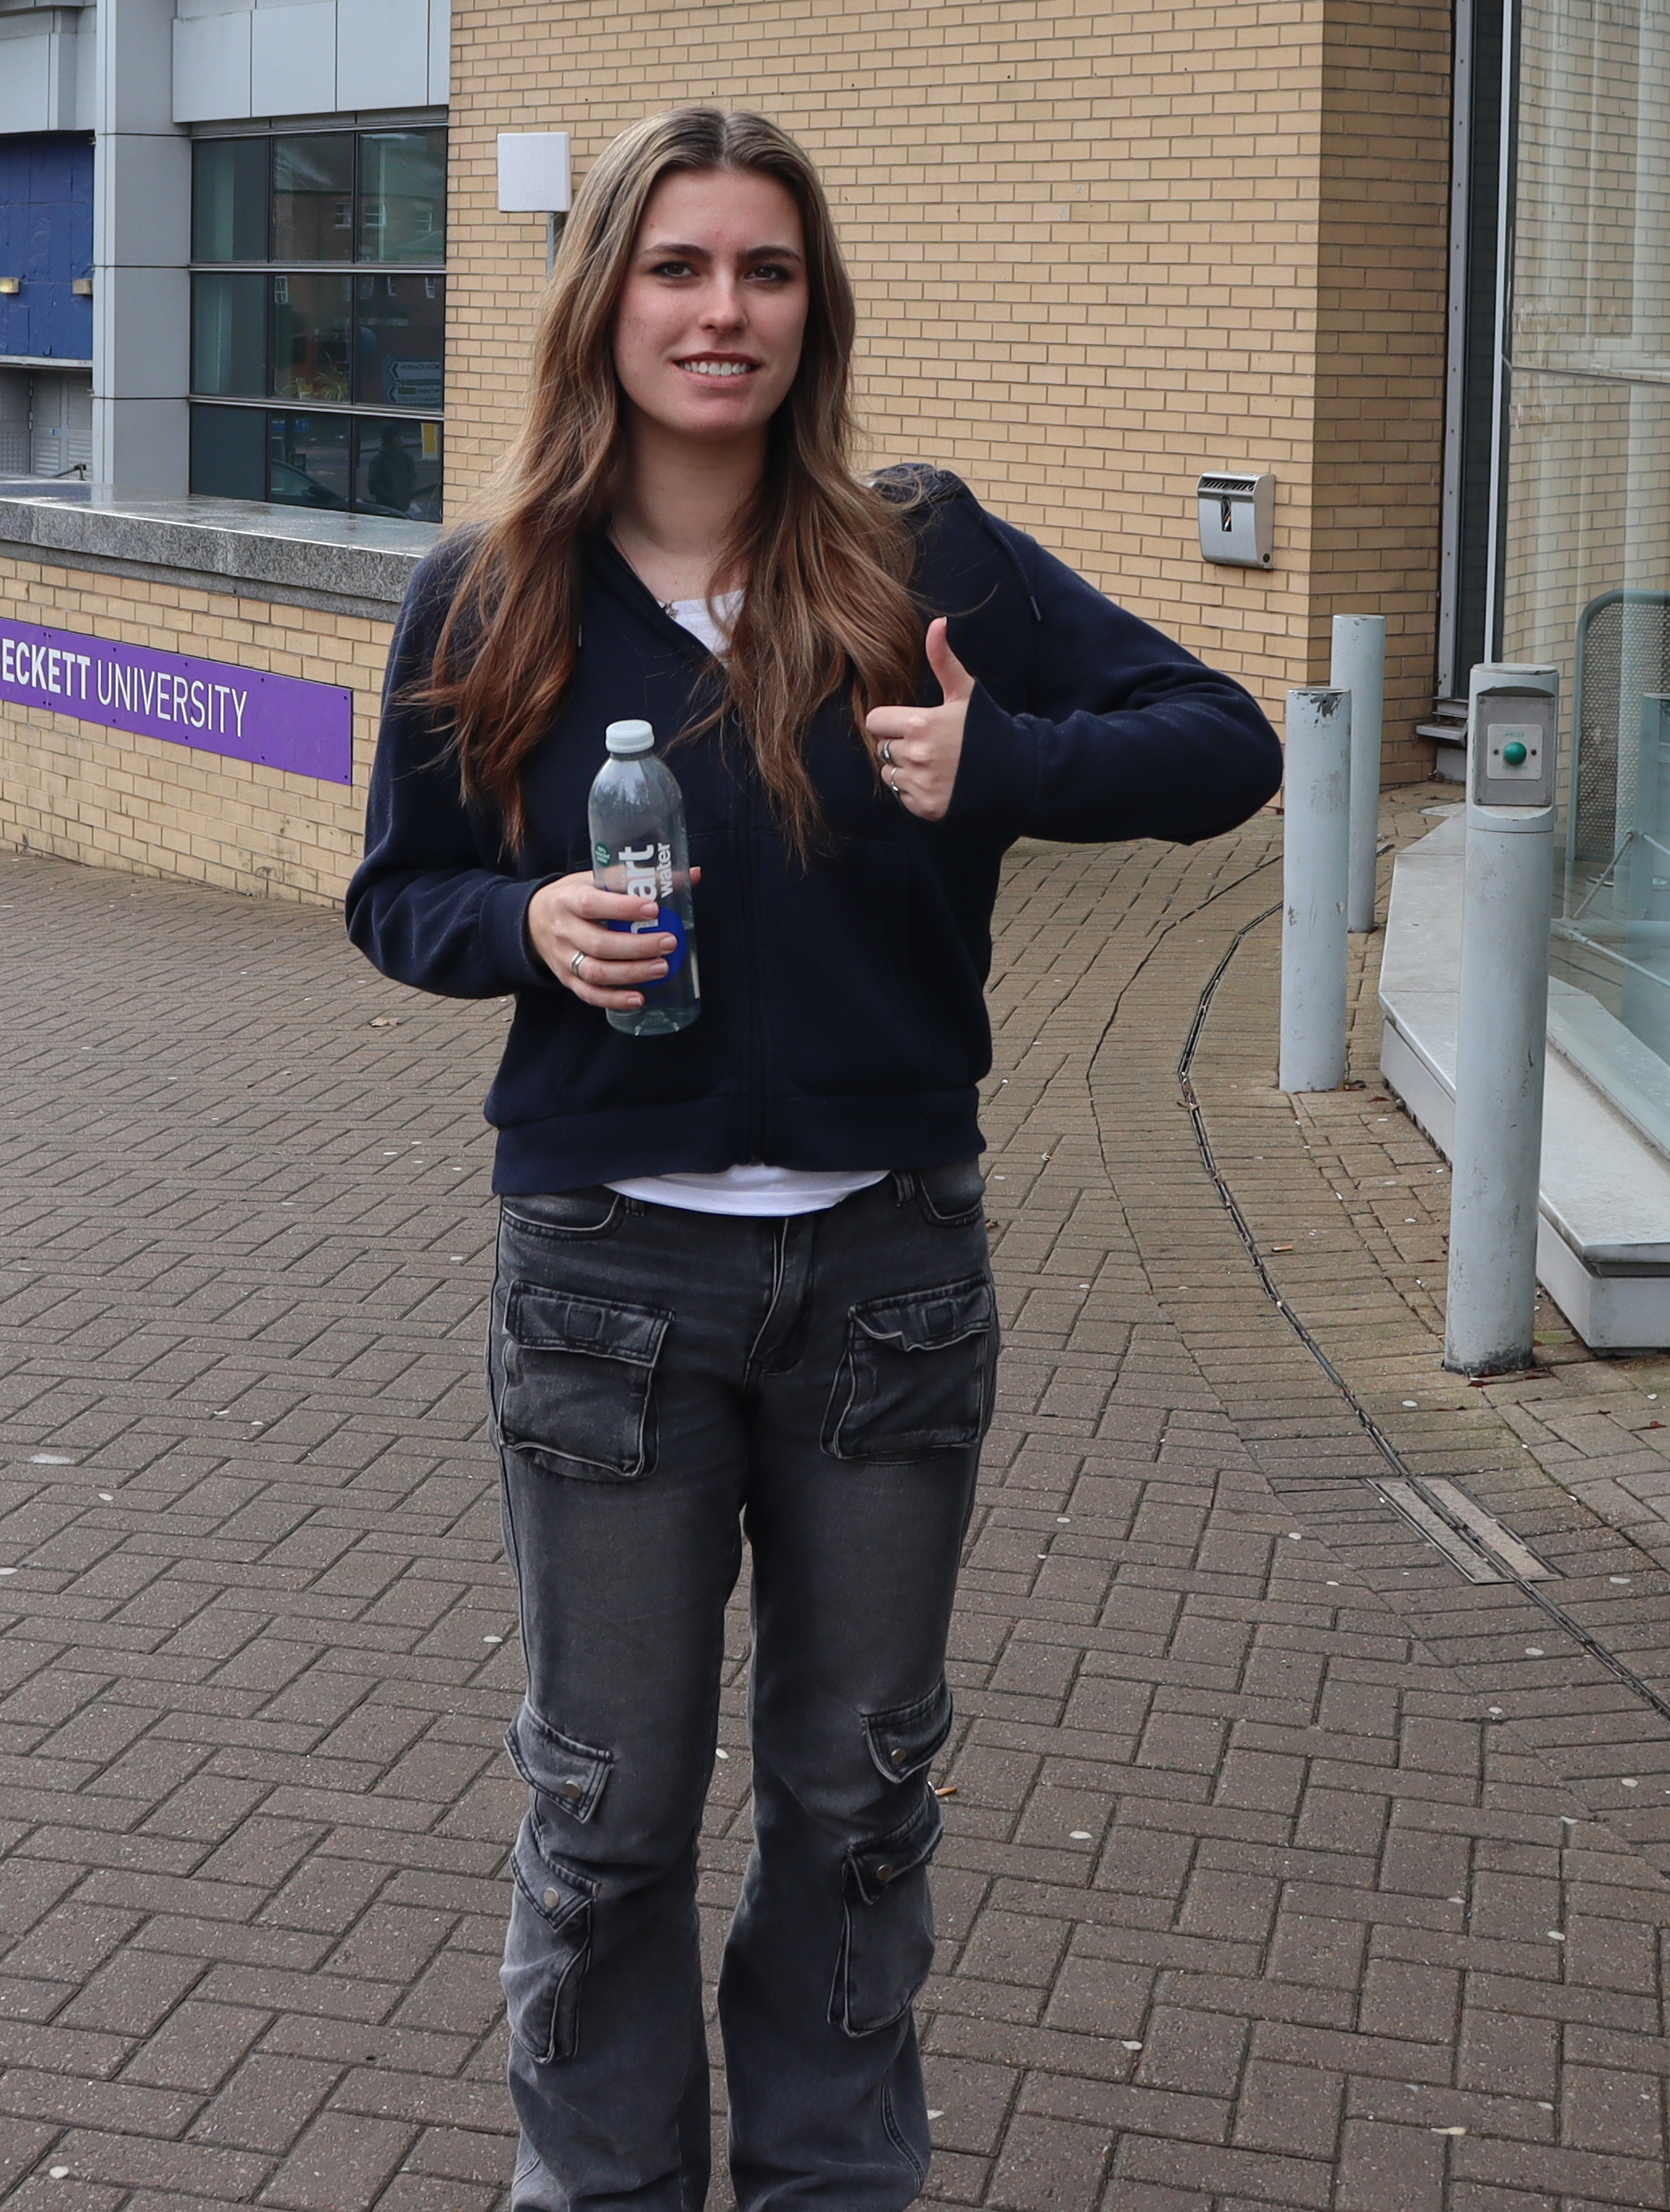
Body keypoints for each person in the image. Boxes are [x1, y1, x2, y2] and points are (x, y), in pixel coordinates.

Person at [345, 108, 1278, 2208]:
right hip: (608, 1292)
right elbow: (394, 895)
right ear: (605, 304)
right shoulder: (489, 595)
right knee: (609, 1811)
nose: (722, 311)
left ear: (813, 309)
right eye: (679, 268)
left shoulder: (921, 558)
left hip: (886, 1287)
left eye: (765, 271)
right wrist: (525, 931)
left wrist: (1002, 761)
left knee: (858, 1797)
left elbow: (1228, 745)